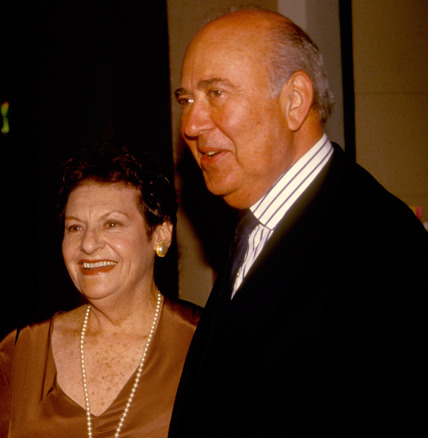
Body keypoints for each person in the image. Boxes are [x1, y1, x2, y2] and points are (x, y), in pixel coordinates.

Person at [169, 8, 428, 437]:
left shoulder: (379, 247)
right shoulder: (262, 225)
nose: (192, 124)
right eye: (186, 100)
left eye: (216, 93)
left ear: (294, 102)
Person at [0, 144, 199, 437]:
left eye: (112, 224)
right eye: (75, 228)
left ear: (160, 234)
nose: (89, 245)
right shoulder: (20, 353)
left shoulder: (206, 345)